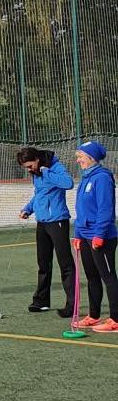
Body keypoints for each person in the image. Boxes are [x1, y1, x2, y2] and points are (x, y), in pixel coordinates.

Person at [16, 145, 76, 316]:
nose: (29, 170)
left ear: (37, 159)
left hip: (58, 221)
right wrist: (28, 209)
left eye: (30, 166)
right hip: (42, 222)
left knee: (65, 264)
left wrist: (45, 171)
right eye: (26, 168)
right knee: (43, 263)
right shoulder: (35, 174)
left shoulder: (55, 167)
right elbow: (39, 193)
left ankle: (72, 304)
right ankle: (41, 301)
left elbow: (68, 183)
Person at [72, 140, 118, 332]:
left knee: (108, 276)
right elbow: (81, 209)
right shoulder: (86, 178)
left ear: (91, 158)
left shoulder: (102, 178)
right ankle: (94, 315)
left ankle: (116, 319)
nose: (78, 160)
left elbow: (105, 209)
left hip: (102, 237)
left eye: (80, 157)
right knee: (92, 277)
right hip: (85, 236)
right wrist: (78, 234)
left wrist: (99, 234)